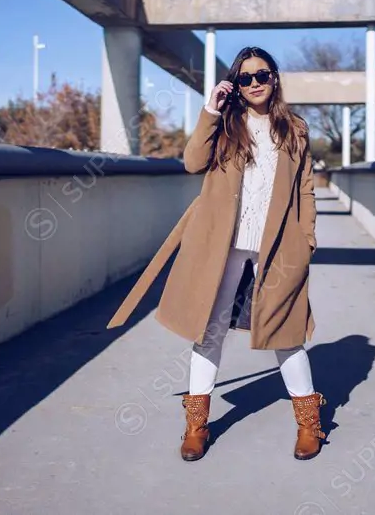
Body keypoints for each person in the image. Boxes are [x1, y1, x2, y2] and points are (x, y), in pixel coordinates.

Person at [107, 45, 323, 462]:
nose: (255, 83)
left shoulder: (294, 129)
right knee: (210, 330)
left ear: (274, 78)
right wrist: (210, 110)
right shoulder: (225, 125)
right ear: (236, 85)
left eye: (262, 75)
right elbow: (192, 163)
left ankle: (309, 424)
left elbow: (306, 189)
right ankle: (196, 425)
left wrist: (306, 239)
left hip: (278, 246)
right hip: (222, 246)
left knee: (287, 332)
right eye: (246, 77)